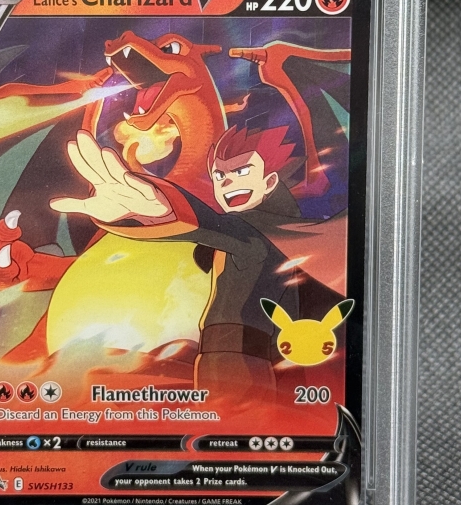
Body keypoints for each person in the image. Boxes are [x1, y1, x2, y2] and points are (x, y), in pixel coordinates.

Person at [51, 126, 339, 405]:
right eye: (219, 175)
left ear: (270, 182)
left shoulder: (262, 232)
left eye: (241, 172)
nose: (227, 183)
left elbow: (214, 227)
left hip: (241, 365)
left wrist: (161, 209)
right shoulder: (269, 233)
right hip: (235, 362)